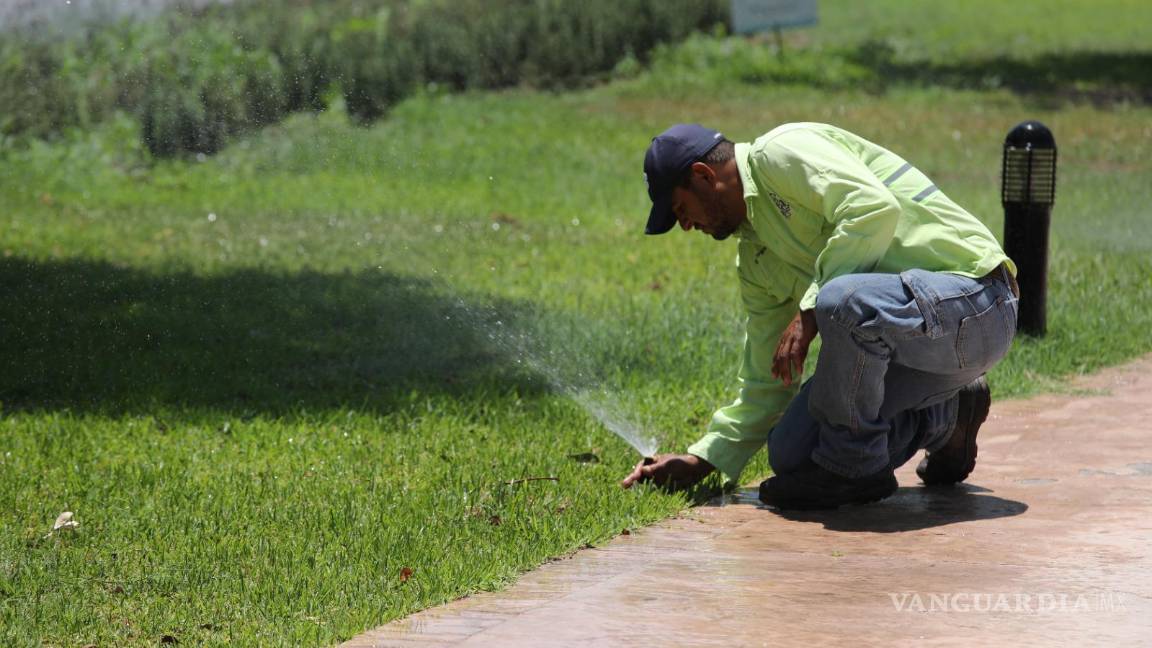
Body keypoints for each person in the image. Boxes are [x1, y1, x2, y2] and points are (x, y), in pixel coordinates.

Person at [620, 122, 1020, 510]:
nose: (687, 226)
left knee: (840, 303)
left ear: (704, 176)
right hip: (920, 353)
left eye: (680, 209)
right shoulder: (756, 262)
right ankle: (948, 416)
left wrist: (809, 311)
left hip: (978, 302)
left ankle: (854, 471)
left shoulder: (781, 152)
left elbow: (873, 209)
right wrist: (703, 460)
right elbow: (768, 380)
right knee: (793, 452)